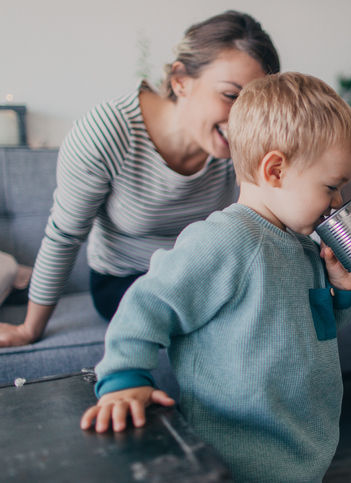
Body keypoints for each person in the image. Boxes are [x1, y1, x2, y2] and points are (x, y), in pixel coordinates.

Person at [80, 72, 351, 482]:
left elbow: (319, 333)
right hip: (237, 458)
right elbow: (147, 303)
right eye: (331, 186)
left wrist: (345, 290)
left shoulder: (305, 248)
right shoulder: (223, 240)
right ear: (275, 169)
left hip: (302, 453)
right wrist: (124, 378)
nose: (336, 203)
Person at [0, 11, 280, 347]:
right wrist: (29, 329)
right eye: (231, 96)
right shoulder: (108, 131)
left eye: (253, 103)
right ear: (180, 80)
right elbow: (64, 236)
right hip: (127, 282)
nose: (241, 120)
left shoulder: (247, 138)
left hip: (204, 275)